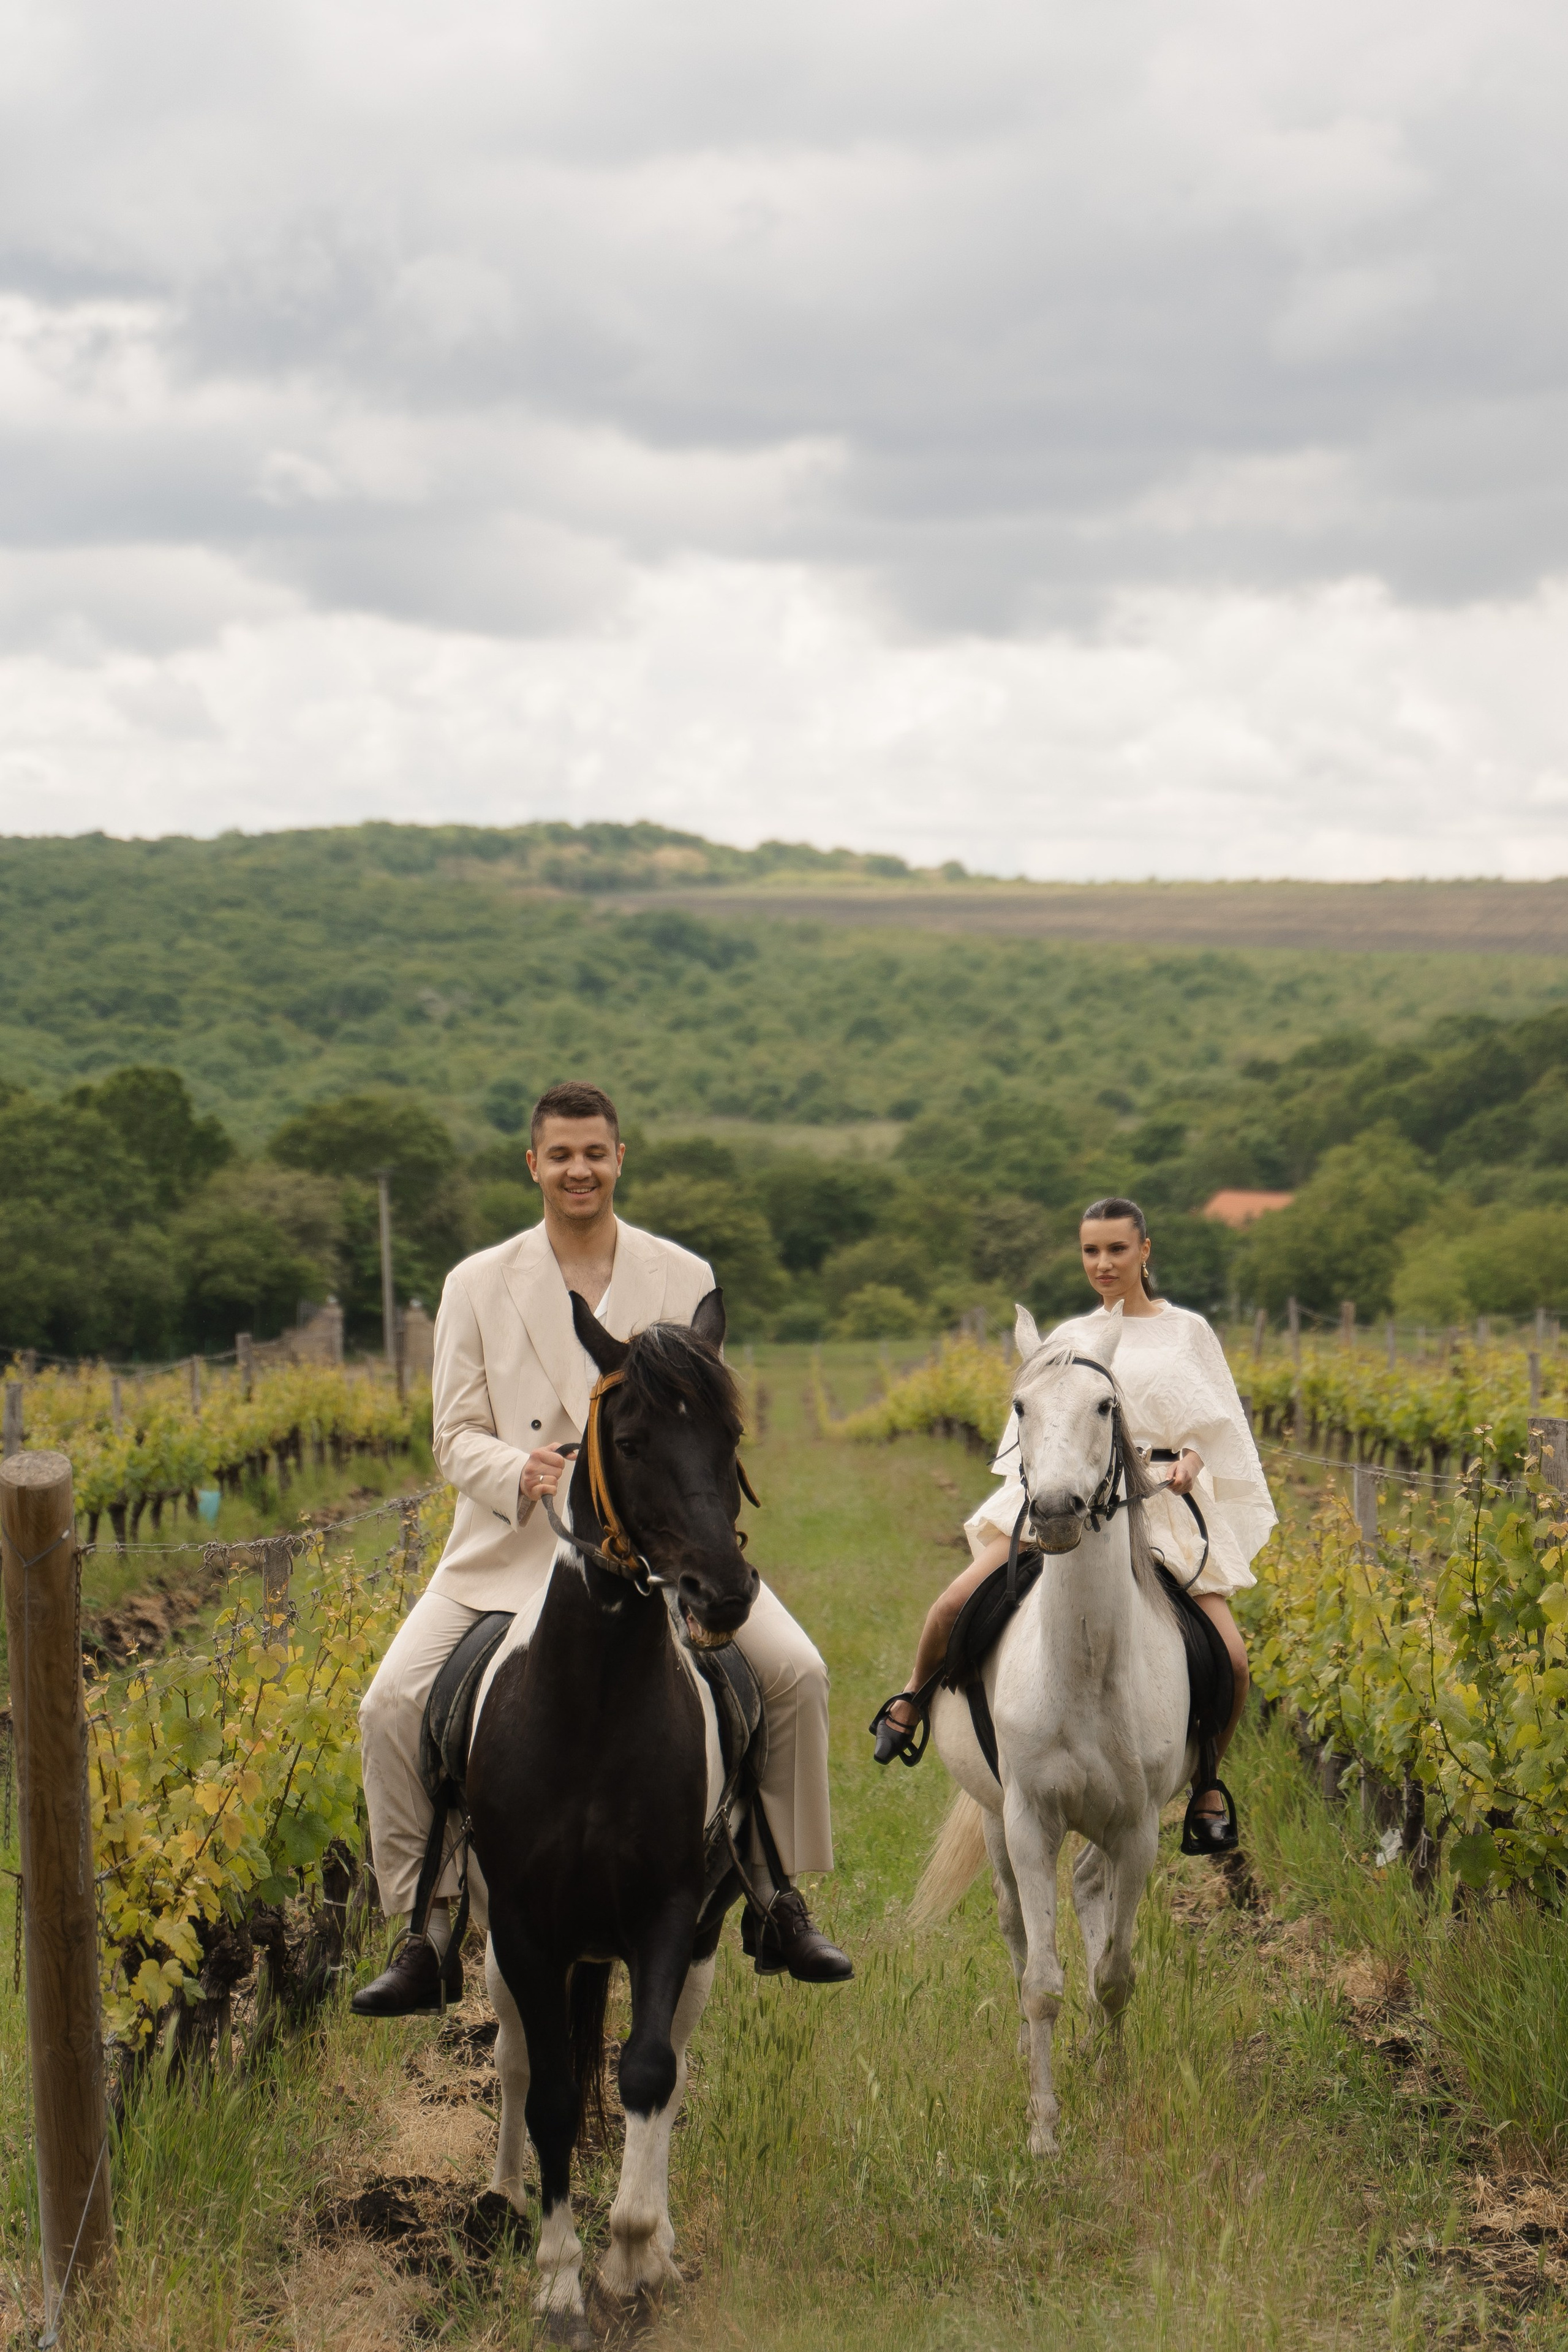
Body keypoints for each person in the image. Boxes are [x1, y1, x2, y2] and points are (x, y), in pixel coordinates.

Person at [353, 1079, 851, 2016]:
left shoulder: (685, 1273)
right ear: (532, 1164)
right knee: (389, 1704)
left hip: (661, 1552)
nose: (577, 1169)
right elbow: (453, 1436)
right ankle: (427, 1924)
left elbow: (700, 1428)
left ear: (619, 1159)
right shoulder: (475, 1283)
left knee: (799, 1674)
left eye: (594, 1153)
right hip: (512, 1551)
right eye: (560, 1155)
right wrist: (524, 1470)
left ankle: (774, 1894)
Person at [870, 1196, 1275, 1844]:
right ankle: (912, 1697)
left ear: (1145, 1251)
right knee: (950, 1605)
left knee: (1233, 1660)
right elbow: (1033, 1430)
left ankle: (1206, 1784)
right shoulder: (1067, 1337)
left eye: (1117, 1249)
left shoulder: (1188, 1332)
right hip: (1065, 1492)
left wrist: (1191, 1463)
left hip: (1157, 1505)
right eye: (1091, 1250)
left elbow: (1215, 1424)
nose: (1103, 1263)